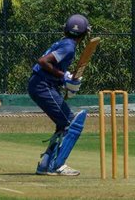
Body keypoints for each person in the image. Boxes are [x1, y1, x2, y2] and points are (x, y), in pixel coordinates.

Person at [28, 14, 91, 176]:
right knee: (71, 122)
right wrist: (64, 77)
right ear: (85, 34)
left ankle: (45, 164)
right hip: (43, 85)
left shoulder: (64, 43)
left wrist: (66, 81)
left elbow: (51, 65)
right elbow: (43, 62)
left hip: (40, 84)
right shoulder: (69, 46)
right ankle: (57, 165)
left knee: (63, 123)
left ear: (65, 29)